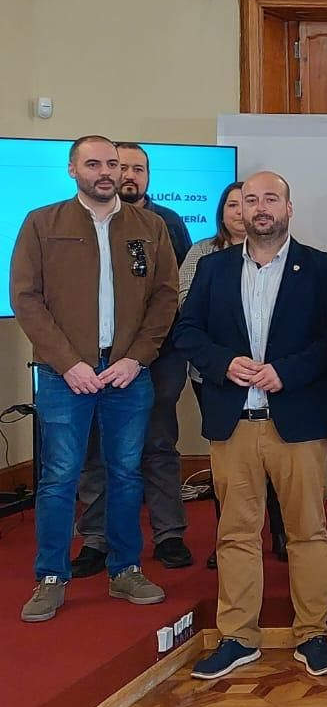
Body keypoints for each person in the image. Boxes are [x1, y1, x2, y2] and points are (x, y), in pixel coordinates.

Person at [172, 172, 327, 680]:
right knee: (236, 533)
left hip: (298, 421)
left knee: (308, 532)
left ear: (290, 207)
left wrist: (286, 372)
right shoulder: (213, 269)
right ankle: (237, 637)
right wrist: (224, 363)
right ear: (239, 211)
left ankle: (312, 633)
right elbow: (187, 331)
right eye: (251, 200)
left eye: (271, 198)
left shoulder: (322, 268)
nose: (261, 207)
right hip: (234, 422)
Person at [13, 136, 176, 621]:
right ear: (72, 170)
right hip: (67, 375)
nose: (106, 171)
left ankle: (125, 569)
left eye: (113, 163)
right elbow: (26, 298)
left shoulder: (150, 226)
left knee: (127, 474)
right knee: (60, 476)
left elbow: (165, 298)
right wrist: (68, 363)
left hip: (128, 374)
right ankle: (50, 576)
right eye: (94, 163)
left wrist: (137, 359)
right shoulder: (42, 223)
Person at [73, 141, 195, 575]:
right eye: (121, 166)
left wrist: (145, 353)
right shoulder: (82, 223)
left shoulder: (167, 223)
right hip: (95, 358)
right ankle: (96, 537)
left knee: (158, 442)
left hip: (157, 357)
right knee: (96, 447)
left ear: (147, 176)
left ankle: (169, 533)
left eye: (139, 169)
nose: (129, 175)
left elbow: (172, 294)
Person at [178, 183, 287, 571]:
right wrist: (223, 361)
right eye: (236, 204)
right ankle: (231, 537)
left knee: (279, 469)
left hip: (280, 391)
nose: (244, 211)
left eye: (256, 202)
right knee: (232, 477)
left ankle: (280, 533)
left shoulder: (300, 261)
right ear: (224, 211)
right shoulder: (205, 257)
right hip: (218, 381)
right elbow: (186, 315)